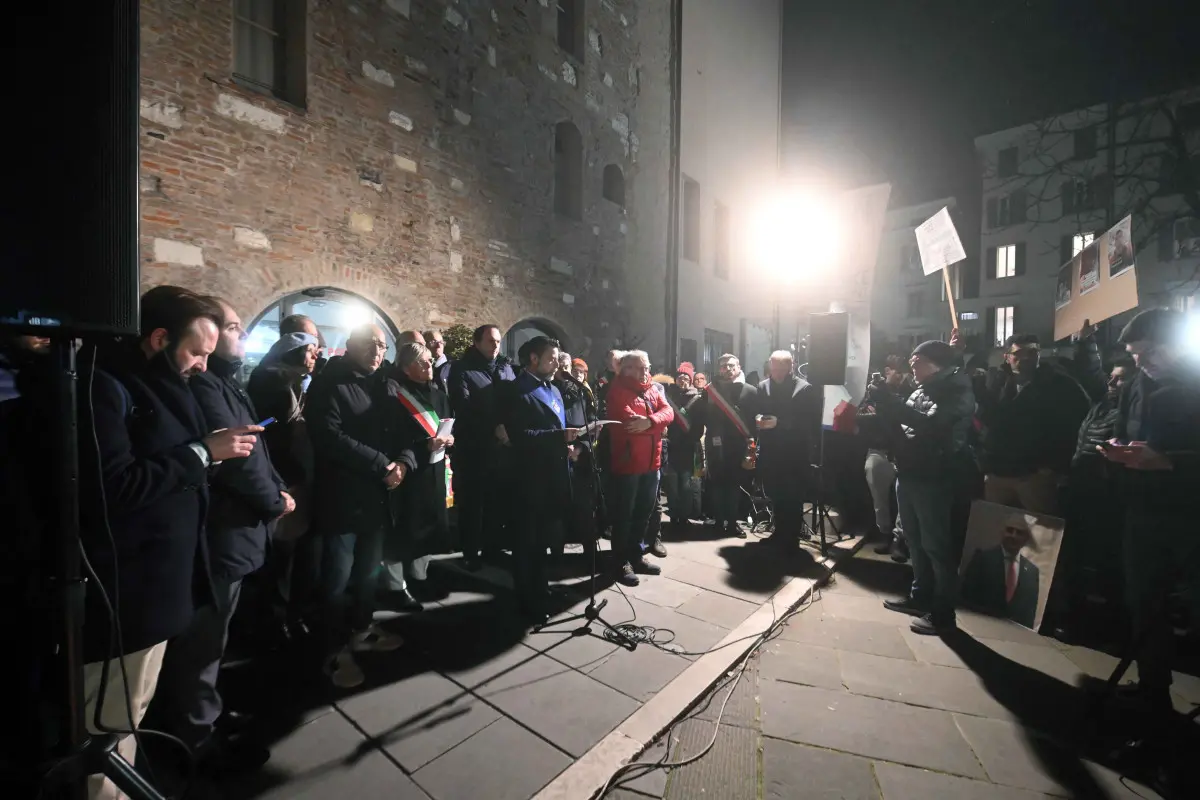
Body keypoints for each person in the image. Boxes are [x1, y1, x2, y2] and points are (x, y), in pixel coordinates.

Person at [78, 286, 262, 799]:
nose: (204, 365)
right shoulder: (109, 387)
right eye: (197, 352)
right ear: (159, 339)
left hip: (163, 582)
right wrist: (203, 454)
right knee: (111, 726)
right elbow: (115, 485)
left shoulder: (158, 383)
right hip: (129, 589)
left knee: (134, 712)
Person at [151, 297, 290, 773]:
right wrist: (275, 500)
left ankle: (202, 720)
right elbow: (239, 460)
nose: (239, 337)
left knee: (213, 642)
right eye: (235, 327)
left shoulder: (217, 380)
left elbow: (252, 445)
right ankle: (194, 742)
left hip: (234, 534)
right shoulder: (206, 387)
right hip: (222, 537)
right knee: (202, 648)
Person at [1099, 309, 1200, 716]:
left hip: (1192, 514)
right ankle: (1152, 686)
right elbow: (1125, 429)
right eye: (1135, 354)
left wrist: (1172, 462)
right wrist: (1117, 450)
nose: (1140, 362)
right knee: (1143, 598)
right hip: (1144, 510)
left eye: (1149, 353)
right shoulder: (1137, 384)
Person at [306, 324, 405, 689]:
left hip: (376, 498)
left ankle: (362, 629)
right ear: (351, 346)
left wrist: (405, 462)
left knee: (367, 572)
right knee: (336, 578)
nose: (378, 352)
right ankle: (331, 650)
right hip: (343, 497)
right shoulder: (330, 383)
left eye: (382, 346)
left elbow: (401, 429)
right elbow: (330, 437)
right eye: (371, 345)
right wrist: (382, 464)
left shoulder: (384, 384)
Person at [873, 340, 976, 635]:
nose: (912, 367)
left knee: (936, 545)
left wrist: (891, 403)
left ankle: (943, 613)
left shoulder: (956, 389)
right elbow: (904, 425)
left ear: (935, 363)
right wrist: (883, 404)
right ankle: (921, 597)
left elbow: (933, 426)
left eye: (916, 362)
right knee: (914, 540)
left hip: (936, 475)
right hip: (911, 470)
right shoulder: (922, 387)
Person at [246, 331, 321, 640]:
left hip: (298, 476)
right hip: (283, 477)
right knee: (282, 555)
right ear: (293, 353)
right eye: (311, 350)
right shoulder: (271, 382)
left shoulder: (294, 383)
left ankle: (291, 613)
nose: (316, 356)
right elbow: (268, 428)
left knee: (295, 553)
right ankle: (275, 621)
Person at [499, 336, 580, 620]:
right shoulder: (517, 391)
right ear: (533, 359)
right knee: (526, 542)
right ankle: (527, 598)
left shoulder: (553, 388)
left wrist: (568, 444)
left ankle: (541, 586)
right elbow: (520, 437)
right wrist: (559, 437)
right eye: (552, 357)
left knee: (544, 538)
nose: (557, 362)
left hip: (554, 475)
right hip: (529, 480)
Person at [976, 333, 1091, 514]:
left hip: (1035, 475)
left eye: (1033, 352)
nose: (1027, 357)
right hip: (997, 471)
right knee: (996, 528)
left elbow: (1077, 425)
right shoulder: (998, 382)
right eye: (1020, 353)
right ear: (1007, 356)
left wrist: (1053, 466)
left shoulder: (1060, 384)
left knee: (1041, 532)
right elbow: (987, 419)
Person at [381, 342, 454, 605]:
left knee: (429, 527)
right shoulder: (395, 397)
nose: (429, 365)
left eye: (429, 361)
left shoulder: (438, 394)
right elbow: (393, 437)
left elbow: (448, 423)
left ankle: (419, 577)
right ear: (406, 367)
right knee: (403, 531)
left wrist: (450, 439)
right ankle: (395, 586)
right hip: (409, 472)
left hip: (434, 471)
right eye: (421, 362)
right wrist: (422, 445)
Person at [448, 324, 516, 571]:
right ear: (477, 342)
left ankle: (492, 548)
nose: (495, 345)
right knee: (472, 504)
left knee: (497, 502)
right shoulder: (462, 369)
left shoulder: (506, 368)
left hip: (503, 449)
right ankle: (469, 553)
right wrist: (493, 427)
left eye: (498, 341)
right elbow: (464, 406)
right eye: (490, 340)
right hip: (474, 449)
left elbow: (516, 402)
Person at [605, 350, 674, 586]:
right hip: (628, 464)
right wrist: (657, 425)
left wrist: (651, 422)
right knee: (624, 516)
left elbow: (669, 412)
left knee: (643, 514)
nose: (645, 371)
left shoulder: (652, 389)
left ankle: (636, 555)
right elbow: (630, 424)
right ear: (626, 369)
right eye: (639, 367)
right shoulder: (617, 391)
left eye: (647, 366)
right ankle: (620, 562)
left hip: (651, 464)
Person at [756, 350, 821, 549]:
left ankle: (791, 539)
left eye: (781, 369)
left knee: (792, 496)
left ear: (791, 366)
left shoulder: (805, 389)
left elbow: (810, 421)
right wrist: (758, 419)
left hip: (795, 453)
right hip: (770, 450)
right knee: (776, 494)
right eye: (773, 369)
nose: (776, 373)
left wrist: (780, 423)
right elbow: (758, 409)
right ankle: (778, 532)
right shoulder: (763, 386)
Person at [693, 354, 757, 539]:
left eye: (731, 365)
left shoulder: (751, 391)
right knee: (717, 484)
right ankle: (719, 521)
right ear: (719, 369)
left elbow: (754, 423)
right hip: (715, 444)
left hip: (738, 446)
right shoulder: (709, 391)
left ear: (738, 367)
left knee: (735, 485)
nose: (727, 369)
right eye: (723, 366)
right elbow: (702, 416)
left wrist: (752, 448)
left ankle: (733, 522)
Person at [859, 356, 913, 561]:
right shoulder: (873, 393)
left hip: (903, 452)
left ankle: (900, 540)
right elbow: (860, 418)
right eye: (895, 371)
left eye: (902, 372)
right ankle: (885, 534)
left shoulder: (909, 393)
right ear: (886, 371)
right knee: (879, 498)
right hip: (878, 450)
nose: (899, 376)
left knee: (905, 501)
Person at [961, 512, 1041, 629]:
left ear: (1026, 539)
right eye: (1010, 530)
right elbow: (965, 600)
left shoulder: (1032, 572)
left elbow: (1029, 614)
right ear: (1002, 533)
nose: (1013, 535)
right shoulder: (982, 559)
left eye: (1019, 533)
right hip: (979, 627)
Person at [553, 352, 599, 556]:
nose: (576, 374)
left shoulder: (584, 394)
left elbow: (593, 425)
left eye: (581, 372)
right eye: (573, 370)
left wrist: (581, 448)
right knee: (560, 506)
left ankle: (588, 548)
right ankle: (557, 551)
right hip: (558, 456)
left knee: (584, 505)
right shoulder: (553, 391)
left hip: (582, 457)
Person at [662, 362, 703, 528]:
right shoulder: (668, 396)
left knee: (686, 483)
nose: (683, 380)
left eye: (686, 377)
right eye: (680, 377)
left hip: (687, 446)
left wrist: (692, 438)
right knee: (672, 483)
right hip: (671, 445)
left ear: (691, 380)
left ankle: (684, 516)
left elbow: (699, 423)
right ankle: (674, 513)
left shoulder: (697, 399)